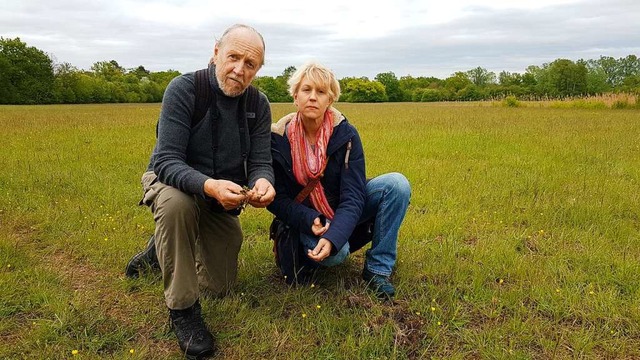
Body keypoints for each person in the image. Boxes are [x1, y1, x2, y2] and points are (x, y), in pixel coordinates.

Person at [124, 24, 275, 358]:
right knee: (179, 207)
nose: (239, 69)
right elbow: (166, 161)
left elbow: (262, 161)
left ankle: (157, 250)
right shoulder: (184, 89)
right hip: (172, 182)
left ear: (258, 70)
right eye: (233, 56)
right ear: (216, 51)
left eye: (250, 64)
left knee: (219, 286)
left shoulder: (258, 105)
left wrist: (265, 182)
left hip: (217, 196)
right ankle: (183, 311)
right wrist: (209, 185)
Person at [268, 62, 411, 300]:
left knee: (396, 185)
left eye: (321, 92)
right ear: (295, 97)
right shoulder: (278, 138)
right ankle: (308, 255)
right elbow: (276, 199)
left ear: (330, 100)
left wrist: (334, 237)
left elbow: (353, 195)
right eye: (306, 90)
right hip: (305, 217)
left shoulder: (346, 134)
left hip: (341, 208)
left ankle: (377, 270)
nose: (313, 97)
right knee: (337, 255)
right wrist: (309, 218)